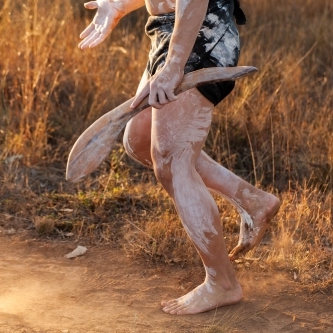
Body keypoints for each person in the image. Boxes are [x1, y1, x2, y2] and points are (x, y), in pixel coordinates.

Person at [79, 0, 281, 315]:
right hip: (166, 34)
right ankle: (254, 201)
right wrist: (116, 5)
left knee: (173, 159)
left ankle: (222, 284)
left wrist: (174, 65)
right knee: (140, 140)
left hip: (199, 33)